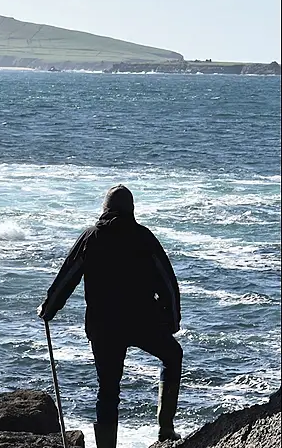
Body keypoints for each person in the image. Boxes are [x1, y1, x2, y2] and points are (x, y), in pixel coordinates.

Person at [38, 184, 182, 448]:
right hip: (142, 322)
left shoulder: (91, 238)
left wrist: (49, 308)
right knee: (172, 355)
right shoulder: (144, 237)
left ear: (105, 209)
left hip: (103, 327)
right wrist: (171, 320)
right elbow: (168, 283)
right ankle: (165, 429)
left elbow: (68, 277)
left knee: (108, 391)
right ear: (132, 210)